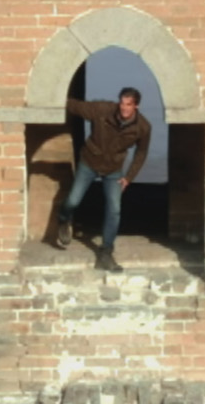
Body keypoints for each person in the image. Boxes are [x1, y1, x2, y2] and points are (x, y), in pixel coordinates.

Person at [47, 86, 151, 272]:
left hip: (113, 170)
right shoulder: (102, 110)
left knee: (114, 210)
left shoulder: (143, 127)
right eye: (122, 103)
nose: (123, 108)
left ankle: (105, 254)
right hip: (89, 163)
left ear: (136, 106)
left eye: (128, 105)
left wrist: (129, 177)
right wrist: (50, 96)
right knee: (72, 200)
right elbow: (75, 106)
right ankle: (63, 219)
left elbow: (141, 152)